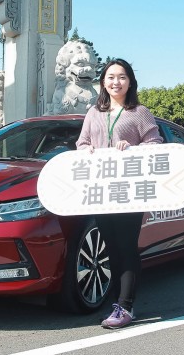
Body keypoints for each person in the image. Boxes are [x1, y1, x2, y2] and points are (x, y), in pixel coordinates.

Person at [75, 58, 161, 329]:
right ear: (103, 81)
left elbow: (155, 143)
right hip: (101, 191)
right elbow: (82, 142)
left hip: (128, 192)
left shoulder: (139, 112)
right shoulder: (93, 112)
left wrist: (132, 149)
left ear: (130, 82)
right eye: (111, 77)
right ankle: (117, 303)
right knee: (110, 247)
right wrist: (86, 150)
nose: (116, 82)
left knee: (126, 247)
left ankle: (126, 306)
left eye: (122, 77)